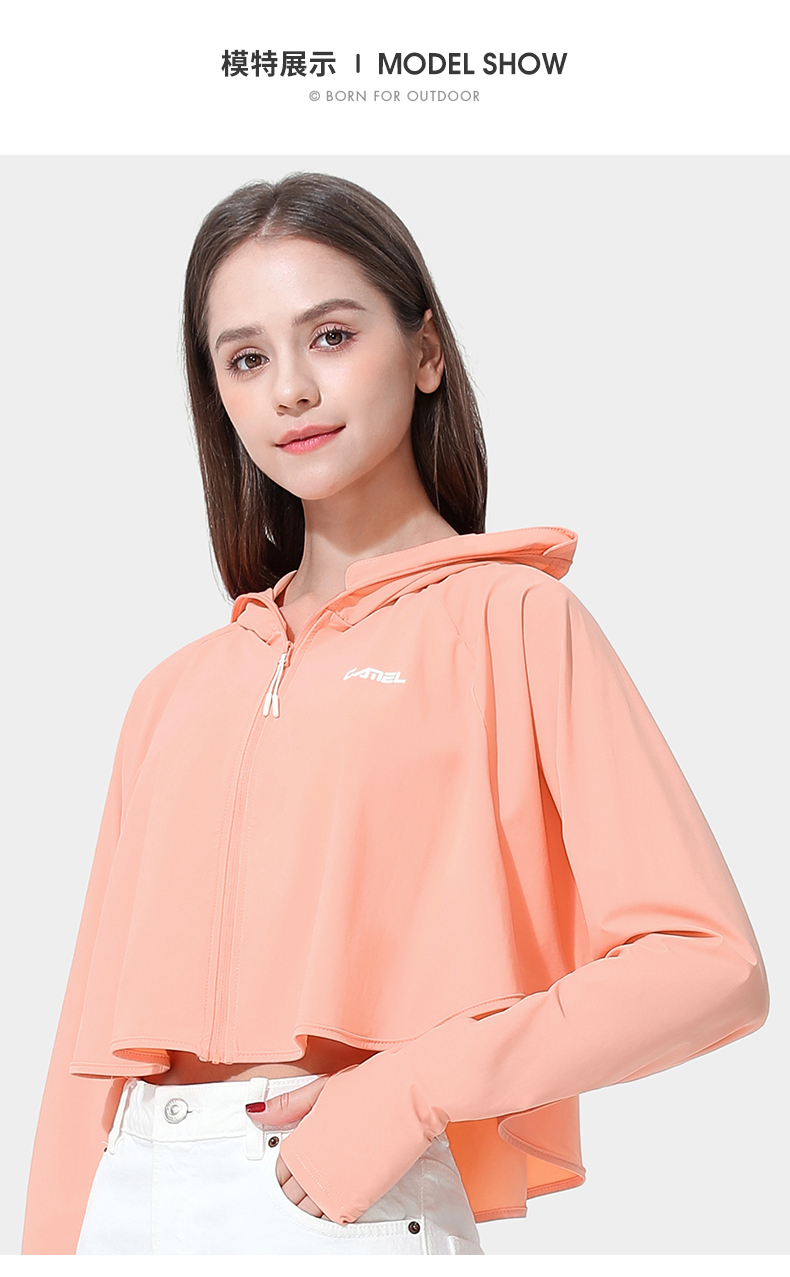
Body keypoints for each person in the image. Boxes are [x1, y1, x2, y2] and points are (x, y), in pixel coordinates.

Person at [22, 173, 769, 1256]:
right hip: (129, 1204)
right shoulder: (172, 692)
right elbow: (87, 1046)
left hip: (340, 1198)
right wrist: (48, 1249)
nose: (291, 389)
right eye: (246, 358)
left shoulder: (516, 621)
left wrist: (408, 1088)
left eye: (330, 336)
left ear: (425, 353)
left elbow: (709, 965)